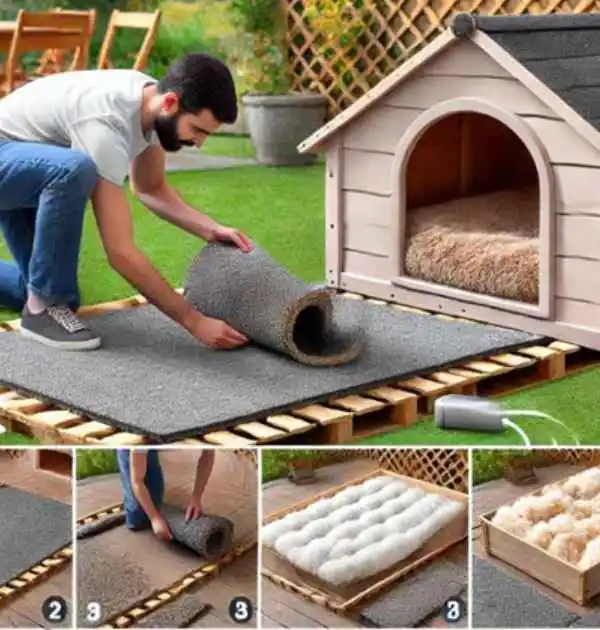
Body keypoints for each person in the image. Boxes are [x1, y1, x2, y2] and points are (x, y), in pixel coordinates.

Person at [0, 52, 253, 351]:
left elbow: (150, 187)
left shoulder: (152, 102)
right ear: (170, 103)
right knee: (73, 171)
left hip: (25, 167)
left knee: (57, 295)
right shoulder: (106, 123)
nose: (199, 143)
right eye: (197, 130)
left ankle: (42, 301)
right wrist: (194, 321)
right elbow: (120, 252)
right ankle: (41, 310)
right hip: (11, 158)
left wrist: (210, 229)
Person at [117, 448, 215, 541]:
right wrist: (154, 518)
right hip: (131, 450)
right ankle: (128, 501)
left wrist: (196, 497)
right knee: (136, 516)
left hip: (149, 449)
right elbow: (137, 481)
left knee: (156, 500)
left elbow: (207, 458)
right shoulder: (140, 441)